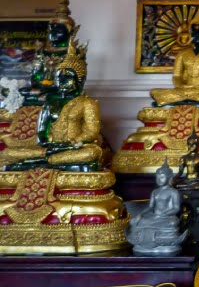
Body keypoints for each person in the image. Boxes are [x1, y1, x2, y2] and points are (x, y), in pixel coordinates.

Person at [0, 40, 102, 171]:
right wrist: (47, 145)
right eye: (59, 78)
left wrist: (70, 143)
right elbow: (41, 131)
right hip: (49, 148)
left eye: (67, 78)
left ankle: (37, 162)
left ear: (79, 80)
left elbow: (91, 131)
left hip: (72, 147)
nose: (62, 81)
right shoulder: (50, 102)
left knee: (92, 152)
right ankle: (48, 161)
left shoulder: (87, 103)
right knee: (8, 153)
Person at [150, 1, 199, 108]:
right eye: (194, 31)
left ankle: (187, 100)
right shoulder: (182, 54)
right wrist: (183, 87)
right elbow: (177, 76)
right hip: (185, 90)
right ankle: (192, 100)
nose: (197, 34)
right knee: (155, 92)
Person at [127, 161, 187, 254]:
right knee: (134, 221)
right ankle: (151, 238)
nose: (159, 179)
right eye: (157, 177)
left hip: (167, 218)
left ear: (168, 178)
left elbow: (176, 208)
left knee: (172, 224)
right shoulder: (155, 191)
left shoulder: (173, 192)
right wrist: (140, 214)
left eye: (162, 177)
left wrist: (164, 213)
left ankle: (149, 238)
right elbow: (151, 207)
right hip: (155, 217)